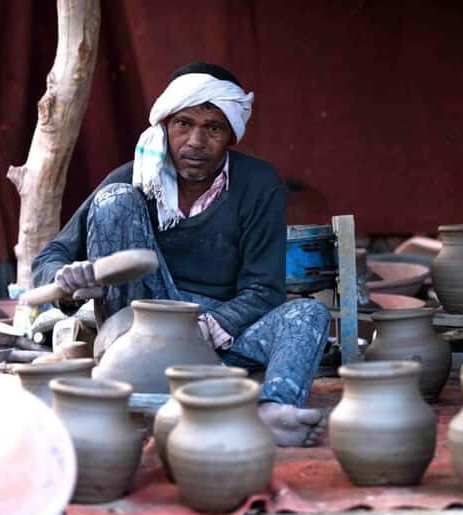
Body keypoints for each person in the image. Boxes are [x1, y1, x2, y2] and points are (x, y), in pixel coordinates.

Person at [29, 62, 331, 446]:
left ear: (232, 135)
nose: (196, 141)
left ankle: (273, 411)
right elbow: (50, 257)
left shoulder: (258, 184)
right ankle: (147, 380)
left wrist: (200, 330)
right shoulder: (133, 177)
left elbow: (263, 291)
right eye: (183, 124)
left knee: (308, 314)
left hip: (218, 335)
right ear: (164, 126)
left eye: (213, 128)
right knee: (114, 201)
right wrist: (67, 281)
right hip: (138, 336)